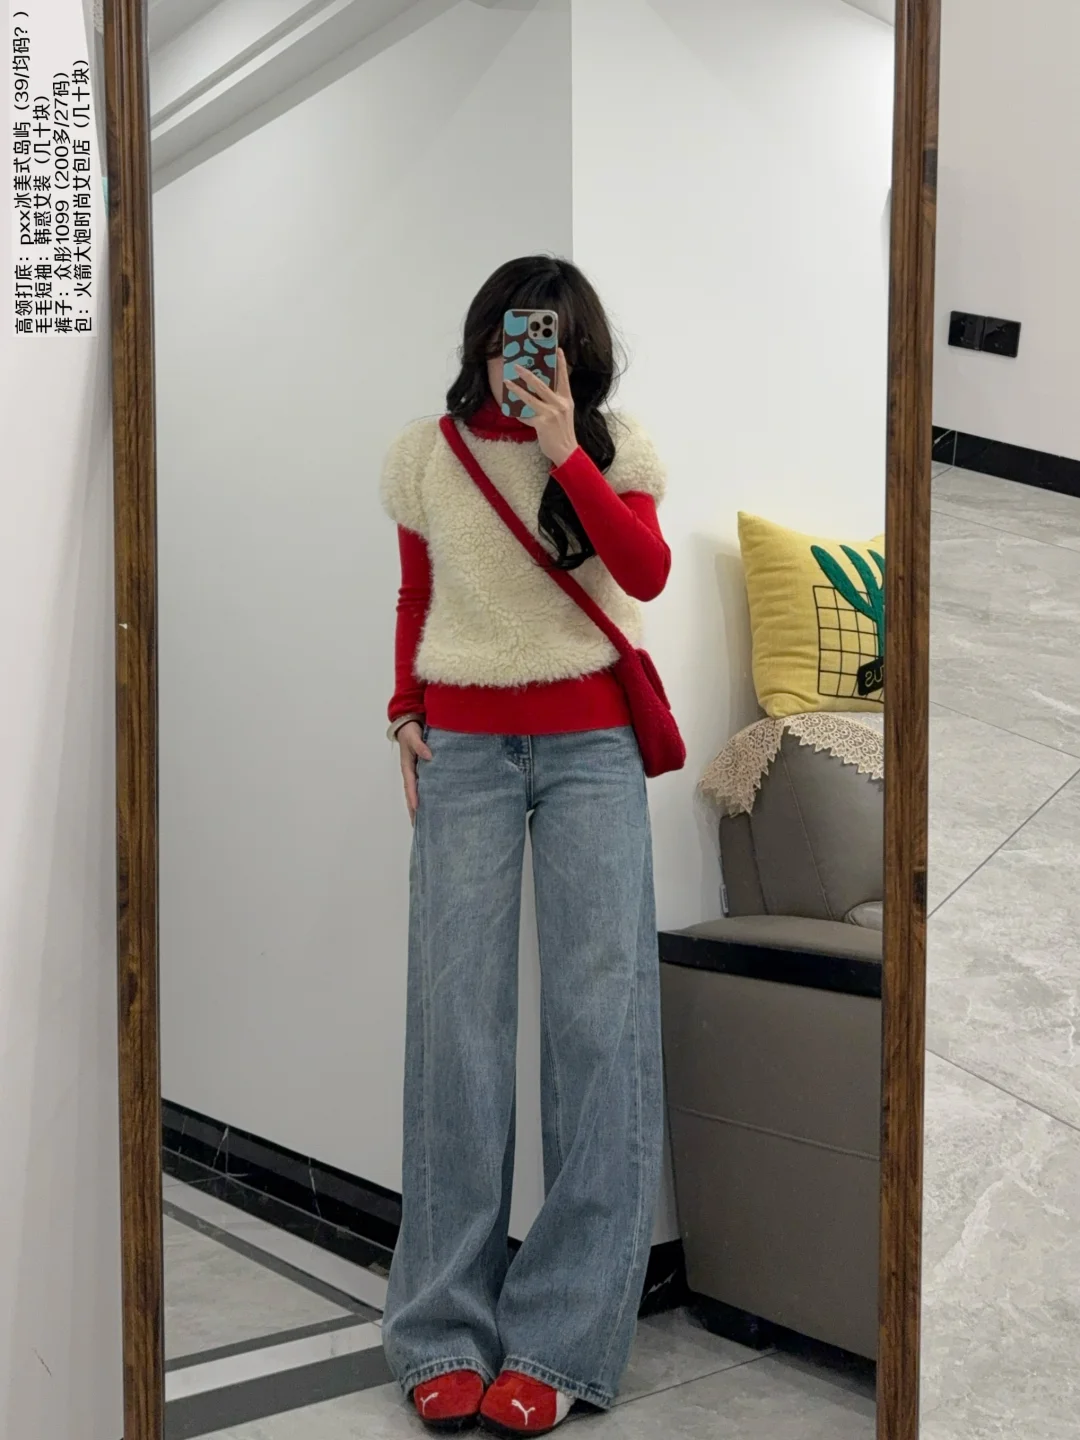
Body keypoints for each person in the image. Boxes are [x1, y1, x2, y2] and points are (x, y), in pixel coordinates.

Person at [380, 256, 670, 1437]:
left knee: (600, 1028)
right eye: (510, 332)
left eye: (546, 335)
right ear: (484, 339)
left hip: (593, 747)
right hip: (463, 751)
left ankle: (564, 1336)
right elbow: (416, 598)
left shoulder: (616, 447)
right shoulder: (428, 454)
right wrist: (403, 710)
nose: (526, 352)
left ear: (576, 347)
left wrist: (566, 454)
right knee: (456, 1025)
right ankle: (440, 1326)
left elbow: (644, 572)